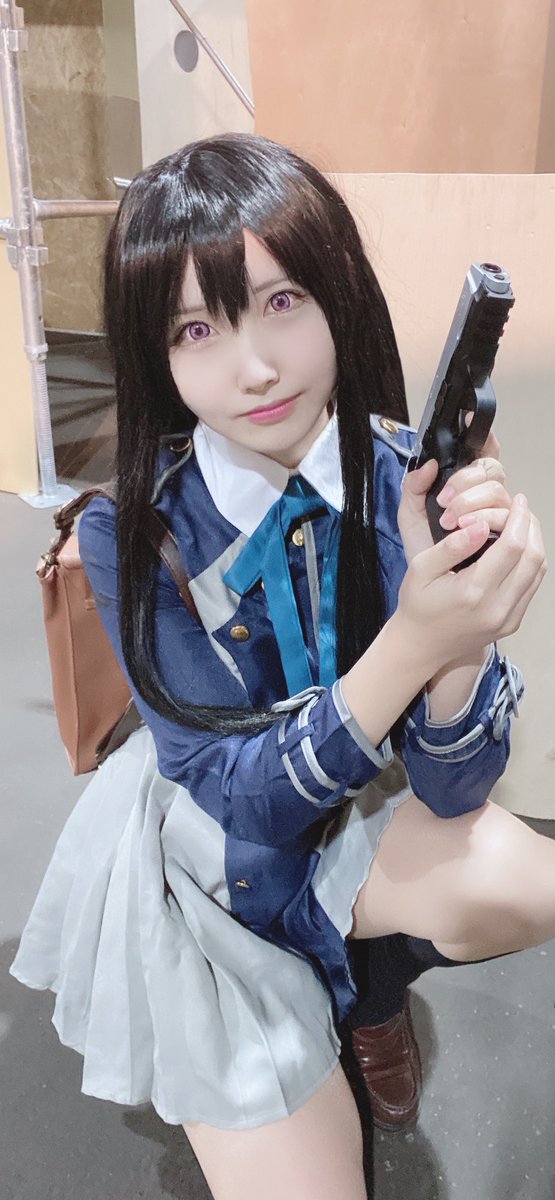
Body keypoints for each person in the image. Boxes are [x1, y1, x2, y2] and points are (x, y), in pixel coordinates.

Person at [10, 132, 551, 1200]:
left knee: (521, 881)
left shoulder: (399, 476)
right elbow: (244, 803)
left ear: (337, 294)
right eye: (196, 329)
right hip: (213, 871)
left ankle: (365, 995)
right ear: (156, 355)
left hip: (356, 820)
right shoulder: (134, 529)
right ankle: (309, 998)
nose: (252, 367)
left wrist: (461, 637)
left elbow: (452, 789)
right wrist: (412, 642)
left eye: (281, 302)